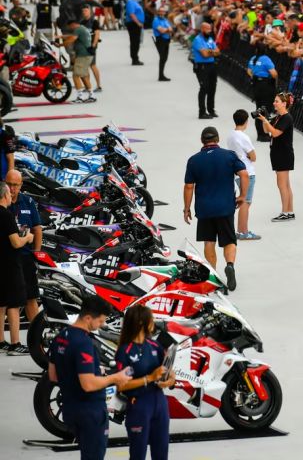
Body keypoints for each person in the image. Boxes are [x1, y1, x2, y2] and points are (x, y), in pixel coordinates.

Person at [48, 295, 132, 460]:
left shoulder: (61, 336)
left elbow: (53, 375)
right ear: (88, 318)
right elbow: (88, 384)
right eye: (100, 321)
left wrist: (83, 372)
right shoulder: (84, 343)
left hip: (70, 409)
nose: (102, 325)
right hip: (90, 412)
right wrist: (116, 378)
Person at [183, 126, 248, 291]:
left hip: (204, 209)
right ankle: (230, 265)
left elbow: (189, 187)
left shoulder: (194, 160)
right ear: (217, 139)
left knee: (209, 241)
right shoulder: (229, 156)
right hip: (225, 207)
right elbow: (244, 174)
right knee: (229, 241)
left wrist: (186, 208)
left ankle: (213, 276)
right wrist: (243, 195)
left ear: (202, 141)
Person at [115, 305, 175, 460]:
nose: (154, 321)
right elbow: (121, 385)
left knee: (161, 455)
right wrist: (149, 378)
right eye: (152, 318)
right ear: (142, 322)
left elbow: (170, 374)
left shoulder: (155, 346)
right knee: (138, 455)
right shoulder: (125, 351)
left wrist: (168, 381)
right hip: (139, 405)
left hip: (160, 404)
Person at [0, 180, 33, 355]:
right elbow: (15, 242)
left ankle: (0, 341)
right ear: (5, 195)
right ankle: (15, 343)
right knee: (14, 303)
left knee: (1, 303)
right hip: (10, 264)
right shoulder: (6, 215)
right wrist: (27, 238)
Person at [6, 169, 41, 325]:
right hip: (6, 256)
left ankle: (36, 335)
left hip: (25, 256)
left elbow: (37, 228)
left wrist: (37, 253)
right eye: (9, 184)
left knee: (31, 297)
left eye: (15, 185)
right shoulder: (2, 203)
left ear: (21, 185)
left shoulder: (28, 201)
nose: (12, 189)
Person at [258, 93, 295, 221]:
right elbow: (265, 131)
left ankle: (285, 212)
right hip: (279, 153)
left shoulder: (286, 118)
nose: (274, 103)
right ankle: (289, 211)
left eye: (277, 101)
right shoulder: (278, 117)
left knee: (282, 184)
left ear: (284, 104)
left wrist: (265, 121)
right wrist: (265, 119)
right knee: (286, 184)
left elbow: (275, 133)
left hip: (283, 154)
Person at [227, 110, 261, 241]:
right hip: (247, 173)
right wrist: (248, 155)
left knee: (243, 202)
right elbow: (253, 157)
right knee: (246, 202)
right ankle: (243, 232)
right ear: (246, 121)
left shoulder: (230, 135)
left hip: (236, 172)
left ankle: (240, 231)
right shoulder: (244, 137)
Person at [60, 15, 96, 103]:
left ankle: (80, 97)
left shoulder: (78, 29)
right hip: (87, 54)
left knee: (75, 75)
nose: (70, 28)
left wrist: (60, 45)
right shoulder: (83, 28)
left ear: (73, 24)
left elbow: (72, 38)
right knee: (83, 75)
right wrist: (61, 36)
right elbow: (72, 36)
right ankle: (91, 95)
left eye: (70, 26)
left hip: (83, 55)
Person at [246, 43, 278, 142]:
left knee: (259, 109)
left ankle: (259, 134)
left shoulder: (253, 59)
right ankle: (264, 134)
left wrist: (254, 76)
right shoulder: (265, 59)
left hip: (256, 85)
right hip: (265, 86)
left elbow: (249, 71)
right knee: (265, 110)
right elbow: (274, 73)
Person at [192, 21, 220, 120]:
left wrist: (210, 52)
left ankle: (211, 110)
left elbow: (218, 52)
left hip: (212, 65)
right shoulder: (198, 40)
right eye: (208, 29)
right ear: (202, 29)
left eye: (210, 29)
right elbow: (204, 55)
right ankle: (202, 112)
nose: (210, 31)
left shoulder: (210, 39)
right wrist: (212, 52)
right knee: (204, 88)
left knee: (212, 87)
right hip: (201, 66)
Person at [124, 0, 145, 66]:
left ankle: (136, 57)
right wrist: (138, 22)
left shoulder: (134, 1)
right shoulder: (130, 2)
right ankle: (134, 58)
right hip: (133, 24)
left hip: (136, 24)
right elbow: (132, 14)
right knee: (134, 41)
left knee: (136, 41)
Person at [152, 6, 172, 82]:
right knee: (162, 57)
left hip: (167, 39)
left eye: (163, 11)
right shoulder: (156, 20)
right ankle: (161, 75)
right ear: (158, 12)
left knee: (165, 58)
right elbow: (161, 31)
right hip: (160, 40)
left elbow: (171, 29)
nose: (162, 13)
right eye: (160, 11)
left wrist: (166, 30)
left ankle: (162, 74)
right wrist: (167, 30)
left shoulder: (165, 20)